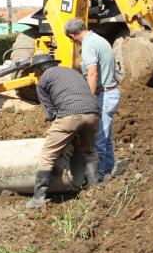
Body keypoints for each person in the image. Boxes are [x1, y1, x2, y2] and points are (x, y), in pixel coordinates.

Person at [26, 54, 100, 209]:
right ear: (52, 63)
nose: (36, 74)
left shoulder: (43, 81)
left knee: (47, 154)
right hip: (93, 113)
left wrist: (65, 138)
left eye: (35, 71)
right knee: (89, 151)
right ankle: (96, 189)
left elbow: (51, 115)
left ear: (40, 69)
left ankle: (38, 198)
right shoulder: (73, 72)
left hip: (69, 115)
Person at [64, 18, 121, 182]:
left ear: (73, 36)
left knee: (99, 141)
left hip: (104, 95)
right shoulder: (98, 39)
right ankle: (109, 172)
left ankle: (100, 179)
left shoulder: (88, 45)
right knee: (106, 138)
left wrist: (88, 100)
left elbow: (92, 73)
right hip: (111, 93)